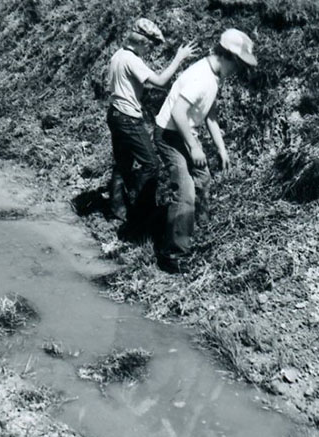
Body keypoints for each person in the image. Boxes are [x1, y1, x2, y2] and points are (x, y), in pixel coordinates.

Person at [154, 29, 257, 273]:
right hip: (169, 136)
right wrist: (193, 146)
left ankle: (197, 231)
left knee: (202, 178)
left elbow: (210, 114)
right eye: (238, 65)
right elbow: (178, 112)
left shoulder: (214, 76)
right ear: (227, 56)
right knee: (185, 189)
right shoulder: (201, 77)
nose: (238, 71)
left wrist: (221, 148)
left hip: (185, 134)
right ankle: (174, 254)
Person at [106, 18, 196, 235]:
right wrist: (178, 59)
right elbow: (160, 81)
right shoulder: (132, 60)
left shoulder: (118, 55)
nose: (150, 50)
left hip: (114, 115)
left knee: (123, 163)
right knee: (152, 165)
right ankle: (141, 214)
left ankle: (117, 208)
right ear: (143, 43)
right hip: (128, 118)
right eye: (151, 46)